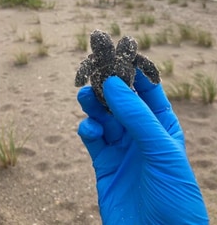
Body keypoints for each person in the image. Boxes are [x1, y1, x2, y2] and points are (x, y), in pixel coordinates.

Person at [77, 69, 210, 224]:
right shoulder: (101, 62)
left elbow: (86, 69)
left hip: (110, 97)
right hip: (110, 98)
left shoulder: (96, 62)